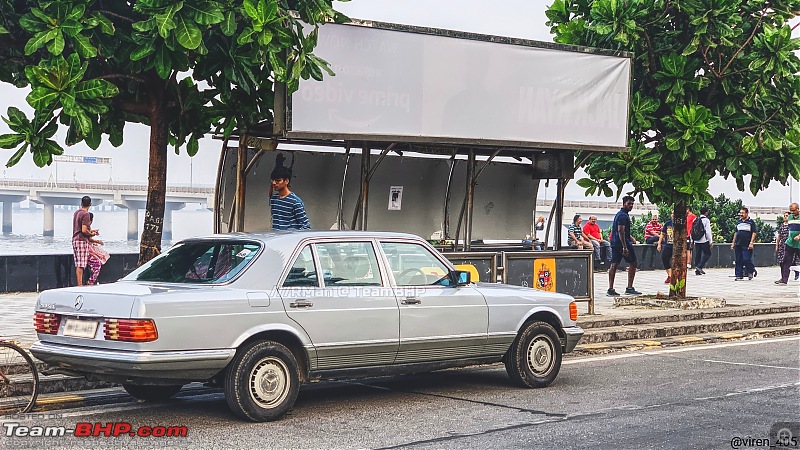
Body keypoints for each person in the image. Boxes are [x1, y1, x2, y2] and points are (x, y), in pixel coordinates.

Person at [607, 196, 641, 296]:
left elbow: (622, 230)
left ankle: (610, 288)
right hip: (622, 243)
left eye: (632, 204)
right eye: (629, 203)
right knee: (633, 262)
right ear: (624, 203)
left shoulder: (620, 214)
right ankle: (629, 287)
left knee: (614, 264)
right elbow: (621, 231)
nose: (631, 206)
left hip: (615, 242)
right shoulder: (623, 216)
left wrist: (631, 237)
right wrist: (625, 247)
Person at [269, 166, 311, 230]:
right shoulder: (274, 199)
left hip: (290, 238)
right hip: (276, 238)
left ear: (286, 181)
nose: (274, 183)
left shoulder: (295, 201)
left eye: (278, 180)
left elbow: (306, 227)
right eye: (273, 180)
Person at [72, 196, 99, 286]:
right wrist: (91, 234)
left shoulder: (77, 213)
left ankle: (80, 284)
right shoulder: (86, 214)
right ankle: (79, 285)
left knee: (79, 263)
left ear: (81, 203)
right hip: (81, 240)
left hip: (75, 239)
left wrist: (91, 231)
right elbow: (83, 230)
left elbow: (79, 228)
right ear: (90, 204)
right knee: (81, 264)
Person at [776, 203, 800, 285]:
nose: (792, 212)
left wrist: (799, 236)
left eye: (793, 210)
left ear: (798, 209)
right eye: (791, 211)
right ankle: (784, 279)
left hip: (799, 244)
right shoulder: (790, 217)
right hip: (790, 243)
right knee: (785, 261)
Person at [731, 207, 757, 281]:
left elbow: (754, 233)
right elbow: (736, 233)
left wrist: (751, 242)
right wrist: (733, 242)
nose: (741, 214)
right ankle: (739, 275)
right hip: (738, 243)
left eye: (742, 213)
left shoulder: (751, 222)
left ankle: (751, 270)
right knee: (738, 260)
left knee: (746, 259)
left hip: (747, 243)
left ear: (746, 213)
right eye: (740, 213)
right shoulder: (738, 222)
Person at [86, 213, 105, 285]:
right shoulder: (85, 227)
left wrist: (92, 232)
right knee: (98, 262)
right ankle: (91, 281)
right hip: (87, 249)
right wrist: (96, 239)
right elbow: (88, 238)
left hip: (88, 248)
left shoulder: (86, 227)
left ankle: (92, 271)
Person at [693, 207, 713, 275]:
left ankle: (697, 270)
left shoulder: (695, 219)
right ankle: (699, 266)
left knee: (698, 255)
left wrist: (692, 240)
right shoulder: (706, 220)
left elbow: (692, 230)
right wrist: (710, 241)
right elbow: (708, 231)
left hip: (696, 240)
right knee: (707, 254)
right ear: (706, 212)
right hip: (704, 240)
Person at [657, 213, 675, 284]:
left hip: (677, 246)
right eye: (672, 213)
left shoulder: (681, 223)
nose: (673, 215)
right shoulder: (668, 223)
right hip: (668, 245)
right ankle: (670, 275)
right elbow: (662, 234)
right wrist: (659, 244)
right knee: (664, 258)